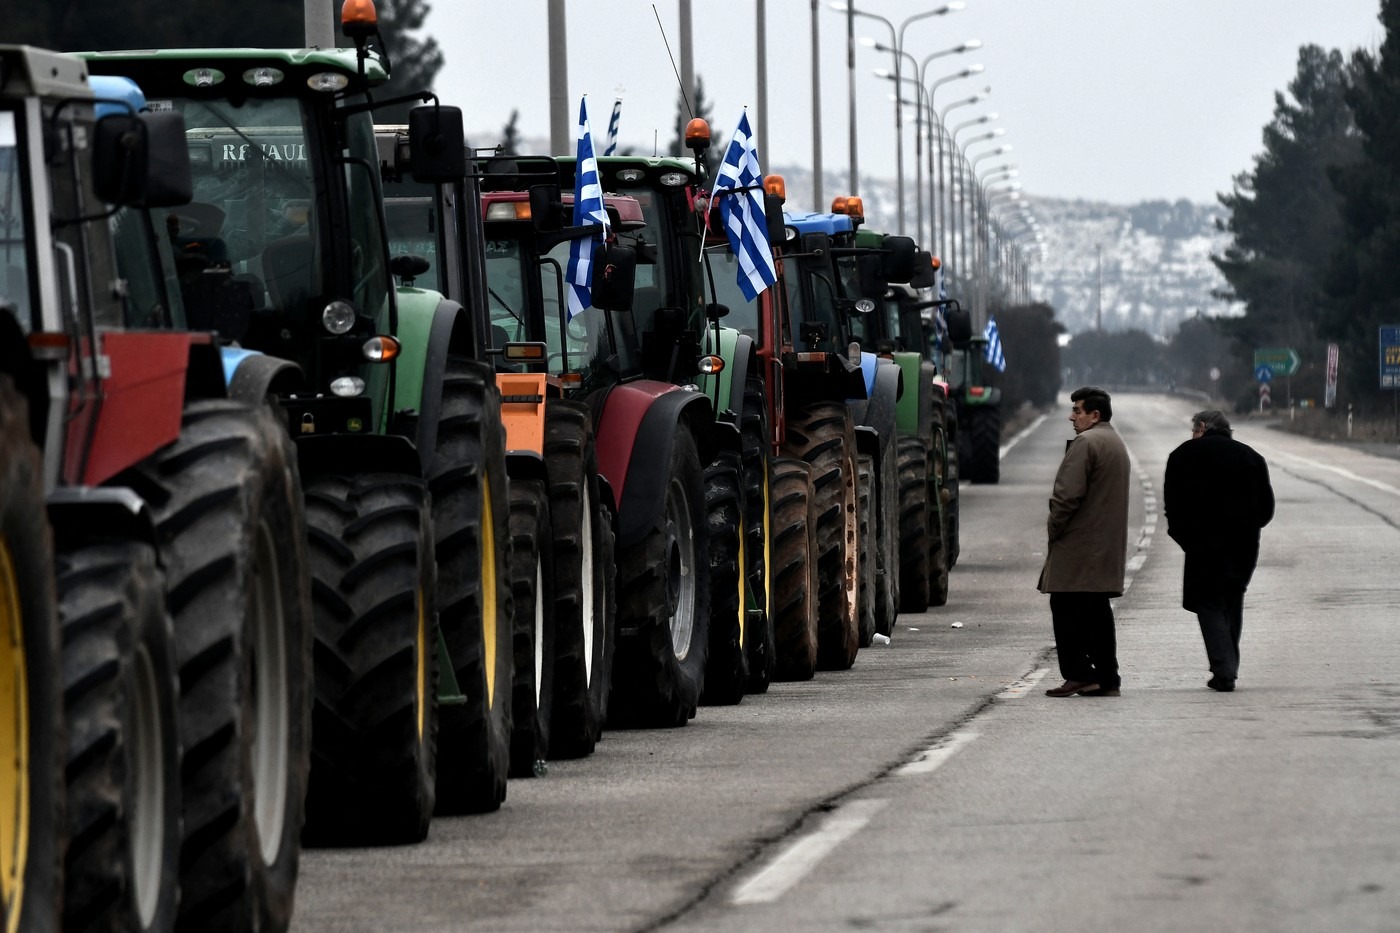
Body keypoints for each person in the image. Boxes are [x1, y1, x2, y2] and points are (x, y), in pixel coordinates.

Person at [1163, 410, 1274, 692]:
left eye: (1193, 430)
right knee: (1232, 599)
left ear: (1201, 426)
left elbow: (1172, 508)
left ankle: (1224, 670)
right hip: (1243, 544)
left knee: (1208, 602)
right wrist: (1249, 528)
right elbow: (1266, 508)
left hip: (1202, 544)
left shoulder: (1182, 455)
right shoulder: (1251, 456)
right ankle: (1226, 667)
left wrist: (1185, 538)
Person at [1038, 386, 1131, 697]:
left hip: (1079, 546)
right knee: (1097, 613)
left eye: (1077, 411)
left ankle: (1078, 673)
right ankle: (1107, 678)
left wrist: (1054, 530)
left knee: (1064, 606)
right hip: (1104, 544)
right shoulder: (1115, 442)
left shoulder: (1086, 442)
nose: (1071, 417)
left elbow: (1066, 496)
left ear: (1095, 415)